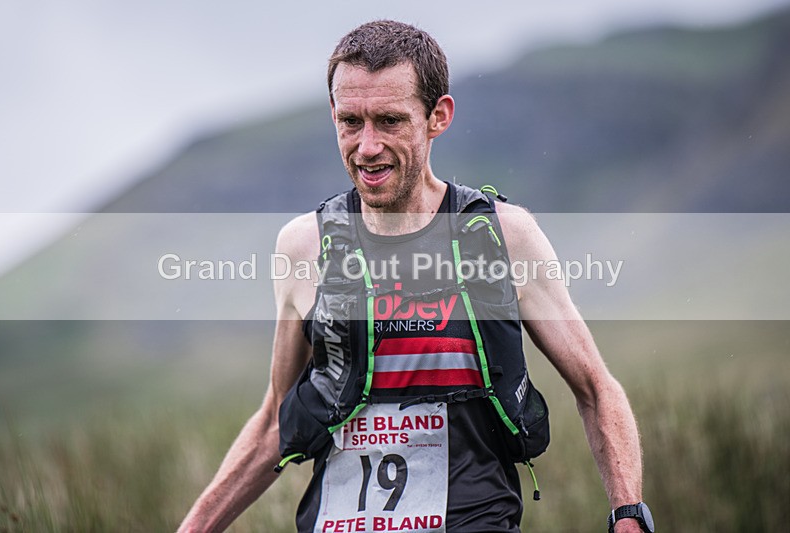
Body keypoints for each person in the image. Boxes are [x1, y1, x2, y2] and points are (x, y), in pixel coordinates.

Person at [179, 20, 651, 533]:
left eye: (389, 121)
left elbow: (596, 389)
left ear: (437, 117)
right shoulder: (302, 247)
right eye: (350, 121)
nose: (367, 146)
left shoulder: (503, 236)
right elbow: (275, 418)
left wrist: (628, 516)